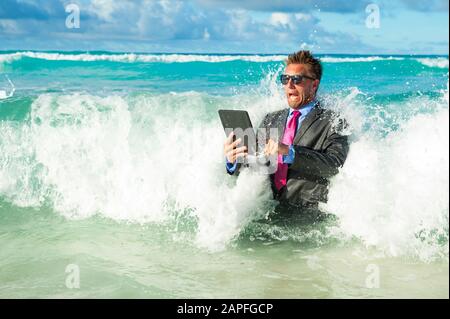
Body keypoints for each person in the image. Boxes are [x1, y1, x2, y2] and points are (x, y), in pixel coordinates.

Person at [223, 50, 349, 214]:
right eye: (285, 79)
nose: (289, 85)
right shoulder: (271, 119)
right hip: (268, 210)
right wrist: (234, 161)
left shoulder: (333, 121)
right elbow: (259, 166)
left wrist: (290, 152)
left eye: (297, 79)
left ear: (314, 85)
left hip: (307, 215)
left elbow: (334, 165)